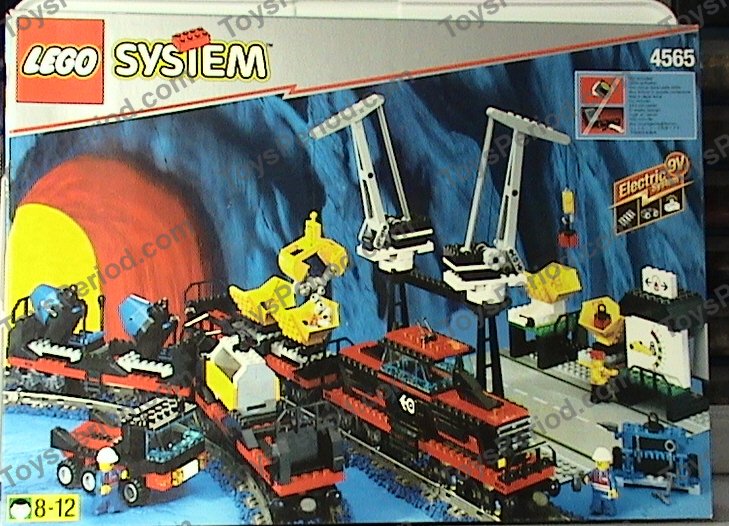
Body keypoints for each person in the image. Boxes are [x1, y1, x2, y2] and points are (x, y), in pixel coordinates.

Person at [584, 447, 618, 516]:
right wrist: (587, 478)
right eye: (598, 463)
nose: (599, 465)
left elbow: (613, 482)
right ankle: (596, 510)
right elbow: (590, 475)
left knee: (608, 503)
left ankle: (609, 511)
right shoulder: (594, 471)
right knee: (596, 502)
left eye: (601, 463)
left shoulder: (609, 474)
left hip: (607, 492)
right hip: (596, 490)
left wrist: (614, 490)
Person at [93, 447, 127, 515]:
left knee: (115, 500)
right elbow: (97, 485)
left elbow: (120, 473)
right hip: (104, 492)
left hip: (114, 490)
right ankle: (99, 509)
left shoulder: (114, 471)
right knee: (102, 501)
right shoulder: (100, 475)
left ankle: (114, 508)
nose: (112, 465)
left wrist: (123, 474)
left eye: (112, 464)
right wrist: (101, 489)